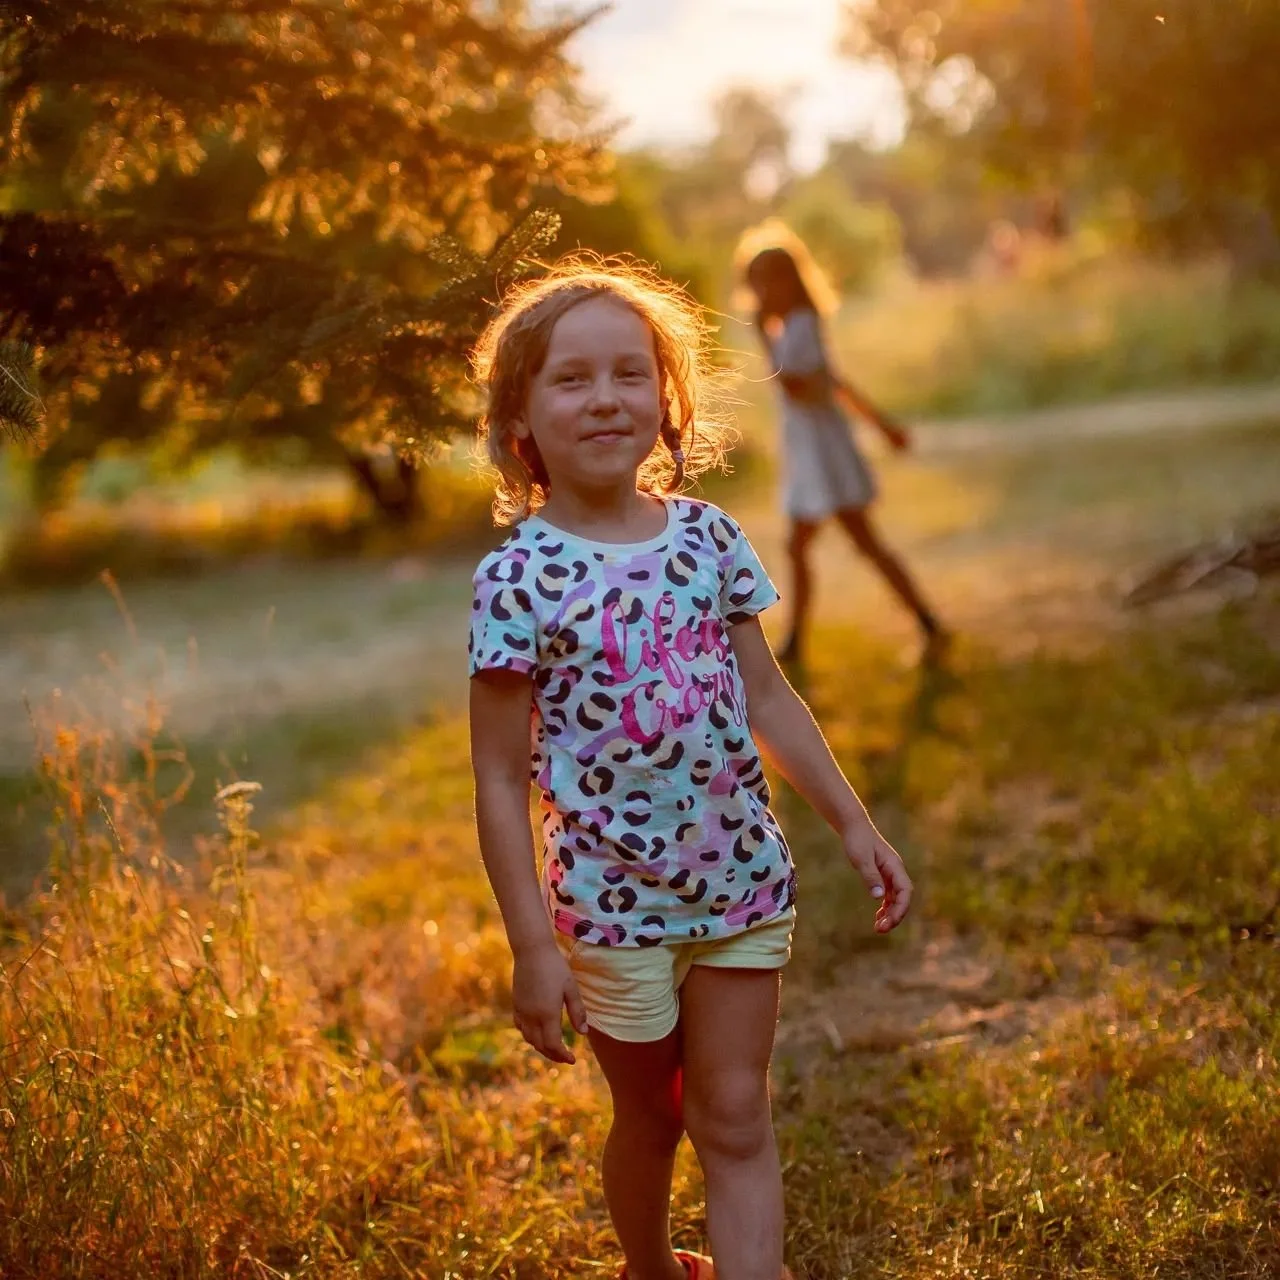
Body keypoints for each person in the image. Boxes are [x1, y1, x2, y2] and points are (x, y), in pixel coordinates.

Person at [467, 257, 914, 1280]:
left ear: (664, 400)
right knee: (651, 1119)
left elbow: (768, 700)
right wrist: (529, 945)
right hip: (611, 908)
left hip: (738, 887)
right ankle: (651, 1267)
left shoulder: (708, 540)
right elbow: (497, 778)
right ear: (520, 417)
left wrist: (851, 821)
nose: (604, 396)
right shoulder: (517, 577)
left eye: (629, 372)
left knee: (732, 1110)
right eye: (570, 378)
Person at [739, 231, 947, 664]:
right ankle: (799, 639)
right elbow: (834, 383)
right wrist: (883, 425)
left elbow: (802, 387)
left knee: (851, 542)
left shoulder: (798, 326)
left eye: (766, 282)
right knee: (809, 546)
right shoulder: (797, 326)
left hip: (823, 453)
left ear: (788, 281)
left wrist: (765, 338)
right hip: (812, 451)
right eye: (753, 283)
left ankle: (924, 621)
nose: (759, 293)